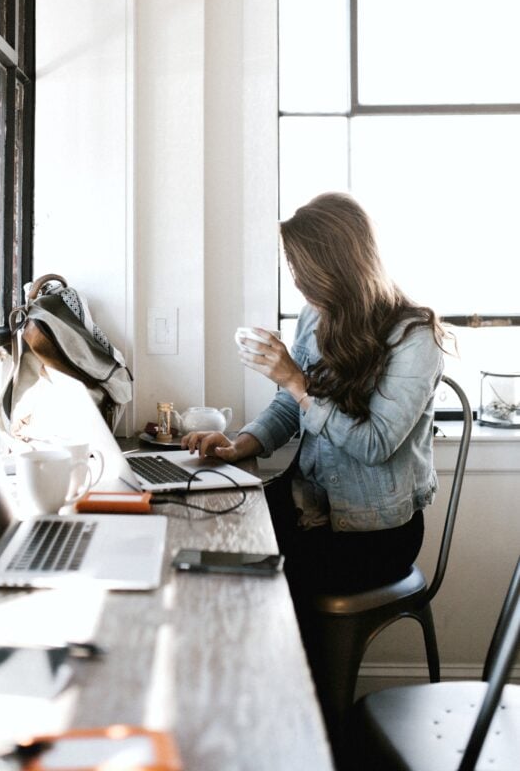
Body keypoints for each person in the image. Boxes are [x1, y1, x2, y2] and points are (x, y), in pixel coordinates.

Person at [181, 191, 449, 608]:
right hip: (309, 505)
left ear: (337, 266)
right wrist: (239, 446)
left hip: (374, 534)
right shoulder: (316, 316)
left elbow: (374, 445)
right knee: (201, 531)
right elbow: (290, 406)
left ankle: (284, 670)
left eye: (301, 269)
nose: (297, 281)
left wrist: (296, 380)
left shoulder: (414, 337)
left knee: (240, 576)